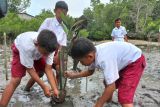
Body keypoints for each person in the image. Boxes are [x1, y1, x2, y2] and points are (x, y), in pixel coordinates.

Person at [65, 38, 146, 107]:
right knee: (107, 81)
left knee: (124, 97)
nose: (81, 63)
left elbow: (111, 87)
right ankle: (108, 100)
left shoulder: (104, 60)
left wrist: (98, 105)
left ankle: (117, 102)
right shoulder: (93, 53)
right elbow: (90, 72)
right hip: (125, 61)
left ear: (90, 56)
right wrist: (74, 75)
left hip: (135, 61)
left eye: (81, 61)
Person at [0, 30, 59, 107]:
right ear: (37, 44)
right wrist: (44, 86)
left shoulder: (50, 48)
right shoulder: (27, 47)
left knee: (41, 72)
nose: (47, 56)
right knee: (16, 80)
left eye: (48, 54)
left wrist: (54, 89)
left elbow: (48, 69)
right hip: (19, 48)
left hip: (37, 51)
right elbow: (30, 69)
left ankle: (26, 89)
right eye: (45, 53)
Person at [24, 1, 68, 91]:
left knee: (60, 70)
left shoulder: (65, 28)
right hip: (44, 47)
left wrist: (57, 55)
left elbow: (62, 45)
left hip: (56, 51)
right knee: (40, 72)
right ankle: (26, 88)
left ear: (67, 13)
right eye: (60, 12)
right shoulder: (48, 21)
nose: (62, 14)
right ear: (55, 11)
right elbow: (40, 36)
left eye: (65, 12)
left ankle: (56, 90)